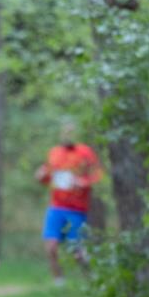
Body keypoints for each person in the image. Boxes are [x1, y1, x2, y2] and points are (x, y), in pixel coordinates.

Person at [34, 121, 104, 286]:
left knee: (77, 252)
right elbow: (48, 177)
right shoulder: (54, 153)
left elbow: (98, 174)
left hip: (77, 209)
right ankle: (59, 281)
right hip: (56, 206)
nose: (67, 136)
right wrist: (40, 176)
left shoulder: (85, 152)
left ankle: (91, 279)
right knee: (51, 246)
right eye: (65, 133)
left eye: (71, 133)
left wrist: (83, 182)